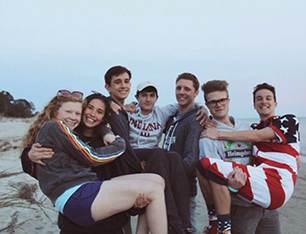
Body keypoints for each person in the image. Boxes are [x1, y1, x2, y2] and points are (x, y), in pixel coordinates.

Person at [21, 90, 167, 234]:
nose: (74, 117)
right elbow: (92, 157)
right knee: (154, 191)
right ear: (54, 112)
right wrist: (119, 143)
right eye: (89, 109)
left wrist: (136, 205)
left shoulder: (81, 134)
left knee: (157, 181)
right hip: (76, 198)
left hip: (93, 196)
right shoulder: (58, 129)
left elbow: (122, 177)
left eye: (77, 113)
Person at [104, 66, 207, 234]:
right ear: (136, 97)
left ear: (157, 98)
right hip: (133, 156)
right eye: (143, 95)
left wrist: (204, 109)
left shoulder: (163, 112)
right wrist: (109, 102)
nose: (148, 99)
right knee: (159, 152)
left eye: (152, 95)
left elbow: (190, 103)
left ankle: (185, 224)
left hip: (152, 159)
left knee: (173, 157)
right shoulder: (128, 111)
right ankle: (173, 219)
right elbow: (101, 104)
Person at [197, 83, 300, 234]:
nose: (219, 105)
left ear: (229, 101)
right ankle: (219, 226)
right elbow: (213, 179)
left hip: (265, 205)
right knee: (205, 165)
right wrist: (232, 188)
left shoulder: (248, 128)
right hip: (240, 207)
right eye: (213, 102)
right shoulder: (207, 137)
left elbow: (264, 142)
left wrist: (294, 157)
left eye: (222, 100)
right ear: (208, 105)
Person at [161, 72, 204, 233]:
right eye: (179, 88)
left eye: (187, 89)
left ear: (196, 93)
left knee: (187, 229)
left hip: (184, 190)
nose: (181, 92)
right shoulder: (172, 118)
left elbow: (191, 159)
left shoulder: (195, 120)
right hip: (167, 187)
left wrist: (164, 172)